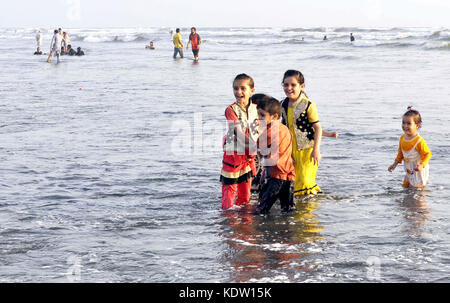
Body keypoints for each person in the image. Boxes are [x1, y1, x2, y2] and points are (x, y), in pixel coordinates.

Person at [280, 70, 323, 196]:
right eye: (286, 85)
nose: (289, 88)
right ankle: (299, 211)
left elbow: (318, 128)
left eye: (293, 85)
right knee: (295, 179)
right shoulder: (283, 104)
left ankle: (309, 210)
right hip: (290, 149)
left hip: (307, 150)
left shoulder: (308, 105)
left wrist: (316, 150)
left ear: (301, 86)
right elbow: (283, 128)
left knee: (305, 180)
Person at [220, 74, 260, 210]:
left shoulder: (256, 108)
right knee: (229, 188)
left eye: (243, 88)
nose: (239, 92)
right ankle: (227, 217)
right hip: (233, 153)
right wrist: (256, 147)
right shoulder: (230, 110)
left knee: (245, 188)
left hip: (249, 155)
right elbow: (238, 132)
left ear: (252, 90)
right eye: (236, 88)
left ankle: (244, 219)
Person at [254, 96, 296, 214]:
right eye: (258, 115)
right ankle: (290, 231)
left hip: (277, 177)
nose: (258, 118)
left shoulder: (268, 132)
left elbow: (258, 150)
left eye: (262, 115)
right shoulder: (285, 129)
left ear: (275, 117)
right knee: (288, 210)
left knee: (261, 210)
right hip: (289, 175)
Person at [388, 107, 431, 188]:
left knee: (418, 189)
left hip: (418, 169)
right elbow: (400, 153)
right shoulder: (402, 138)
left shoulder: (419, 141)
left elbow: (428, 154)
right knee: (405, 186)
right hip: (408, 168)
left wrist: (422, 165)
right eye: (403, 123)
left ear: (417, 125)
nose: (405, 126)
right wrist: (394, 164)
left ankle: (421, 199)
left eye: (409, 123)